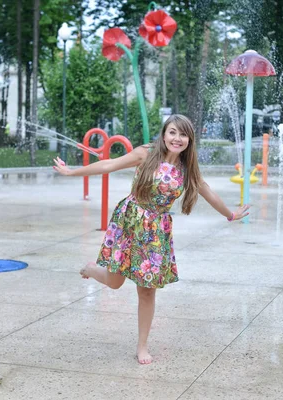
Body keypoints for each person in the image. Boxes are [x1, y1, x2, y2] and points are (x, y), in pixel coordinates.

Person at [52, 114, 249, 365]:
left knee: (146, 292)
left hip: (156, 231)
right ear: (164, 134)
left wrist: (231, 215)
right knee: (114, 282)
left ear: (189, 139)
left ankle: (142, 346)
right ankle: (92, 269)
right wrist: (72, 172)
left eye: (183, 134)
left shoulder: (187, 169)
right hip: (130, 221)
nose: (177, 139)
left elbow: (207, 191)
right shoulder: (146, 153)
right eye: (173, 132)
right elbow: (108, 164)